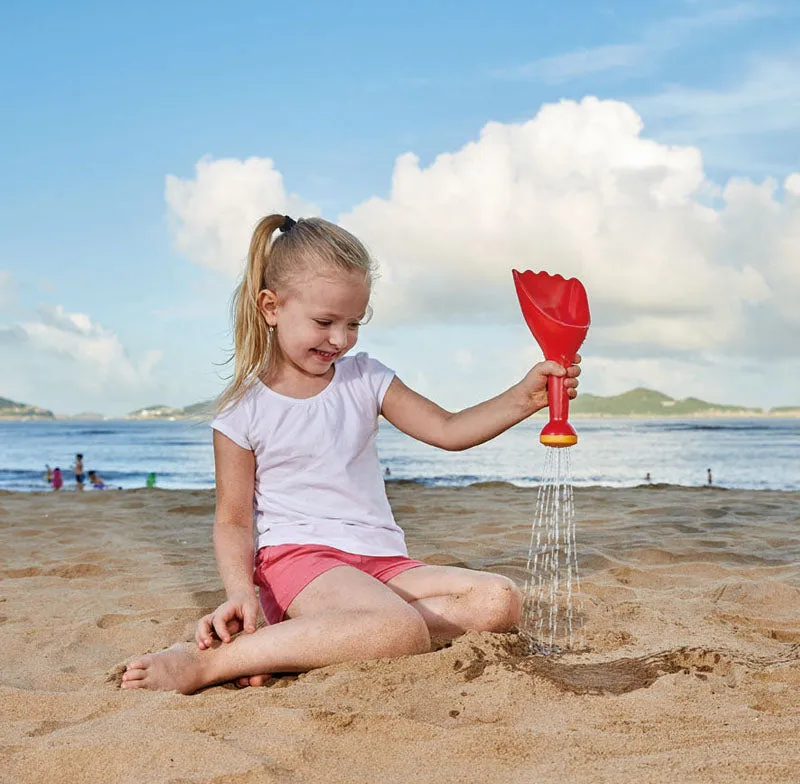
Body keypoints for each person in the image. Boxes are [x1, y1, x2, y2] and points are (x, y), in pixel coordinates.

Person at [121, 214, 581, 694]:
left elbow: (449, 430)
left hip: (382, 561)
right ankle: (211, 664)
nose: (339, 340)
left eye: (353, 324)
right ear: (271, 306)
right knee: (397, 628)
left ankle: (303, 645)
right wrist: (240, 593)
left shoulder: (366, 377)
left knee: (498, 601)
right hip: (301, 562)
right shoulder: (243, 411)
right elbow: (233, 519)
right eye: (324, 322)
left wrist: (524, 399)